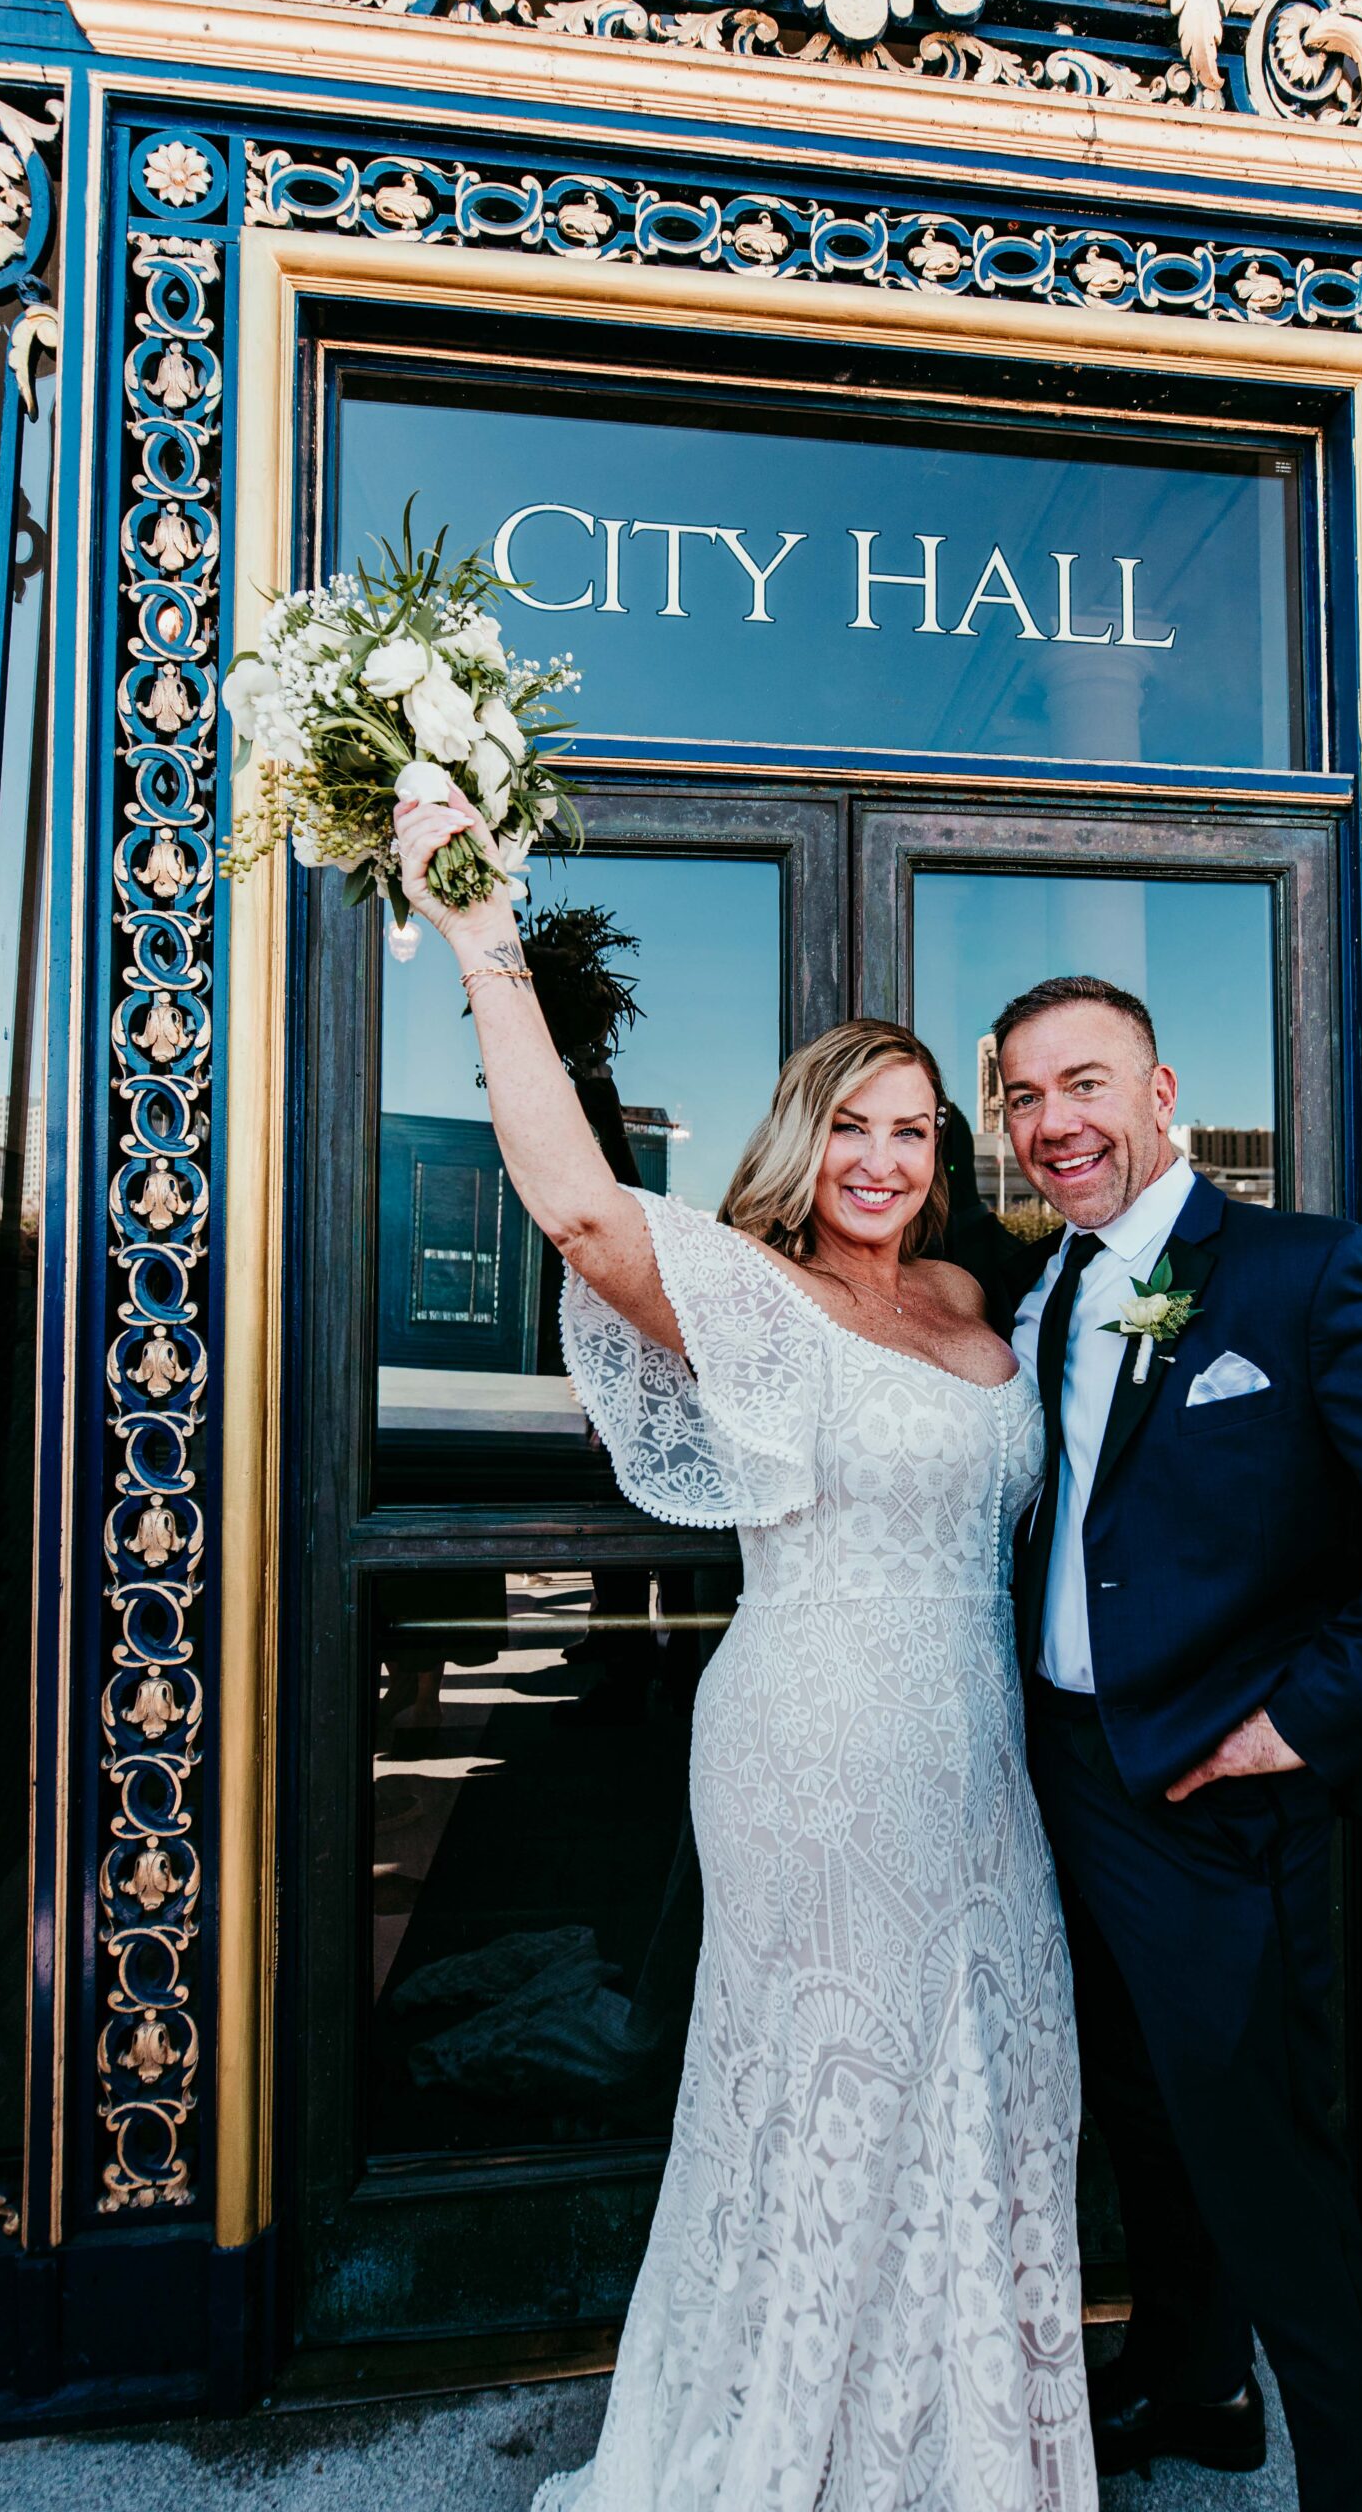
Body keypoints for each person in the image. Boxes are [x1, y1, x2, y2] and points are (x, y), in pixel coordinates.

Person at [390, 791, 1097, 2512]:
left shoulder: (973, 1301)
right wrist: (480, 934)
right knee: (829, 2089)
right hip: (814, 1742)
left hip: (973, 1753)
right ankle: (787, 2456)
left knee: (997, 2065)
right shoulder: (757, 1294)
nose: (883, 1160)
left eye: (918, 1131)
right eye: (853, 1125)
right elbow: (570, 1206)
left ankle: (956, 2454)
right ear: (804, 1132)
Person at [985, 973, 1362, 2512]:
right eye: (1027, 1098)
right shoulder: (1038, 1288)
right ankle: (1197, 2388)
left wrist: (1298, 1720)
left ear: (1164, 1093)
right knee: (1143, 2121)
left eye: (1086, 1085)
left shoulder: (1302, 1276)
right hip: (1065, 1781)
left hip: (1217, 1804)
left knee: (1276, 2183)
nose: (1056, 1125)